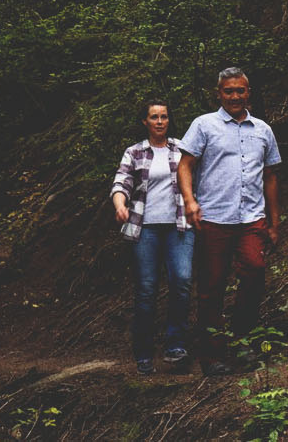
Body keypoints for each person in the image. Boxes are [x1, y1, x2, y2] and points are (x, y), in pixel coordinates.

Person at [178, 67, 283, 376]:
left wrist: (274, 223)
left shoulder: (262, 130)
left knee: (255, 271)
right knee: (211, 286)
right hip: (214, 218)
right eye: (229, 91)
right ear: (219, 94)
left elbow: (271, 176)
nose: (235, 96)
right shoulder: (204, 126)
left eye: (240, 90)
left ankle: (244, 342)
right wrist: (190, 201)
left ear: (248, 93)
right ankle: (211, 355)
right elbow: (185, 165)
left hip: (252, 218)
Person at [110, 101, 195, 375]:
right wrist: (120, 205)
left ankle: (175, 346)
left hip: (178, 227)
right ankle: (144, 353)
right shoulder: (134, 152)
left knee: (181, 280)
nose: (160, 121)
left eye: (164, 117)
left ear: (169, 120)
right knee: (146, 289)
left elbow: (198, 179)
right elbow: (121, 182)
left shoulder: (182, 149)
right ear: (145, 122)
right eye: (154, 117)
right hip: (144, 229)